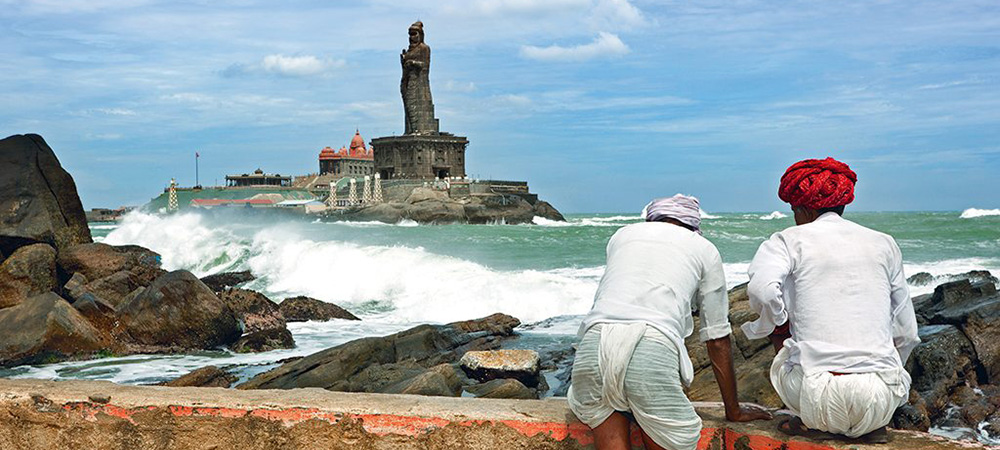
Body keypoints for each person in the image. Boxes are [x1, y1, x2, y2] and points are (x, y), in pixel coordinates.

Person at [568, 194, 770, 450]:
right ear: (694, 226)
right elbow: (717, 338)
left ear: (652, 219)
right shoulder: (703, 248)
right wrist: (734, 410)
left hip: (592, 348)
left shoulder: (622, 235)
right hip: (650, 349)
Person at [742, 157, 920, 443]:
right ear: (843, 204)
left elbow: (762, 290)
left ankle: (811, 423)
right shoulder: (884, 242)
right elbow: (907, 332)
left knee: (779, 329)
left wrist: (776, 321)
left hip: (816, 398)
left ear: (804, 208)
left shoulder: (788, 240)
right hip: (880, 399)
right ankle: (868, 425)